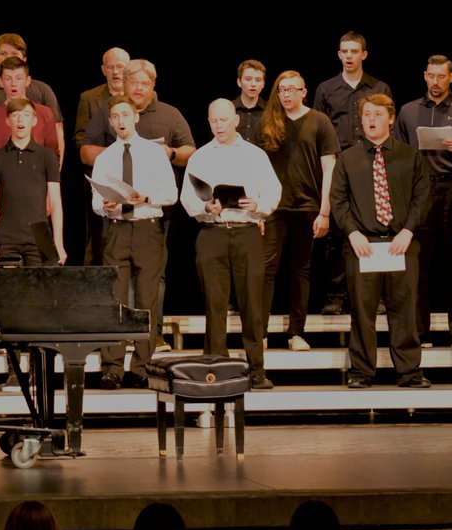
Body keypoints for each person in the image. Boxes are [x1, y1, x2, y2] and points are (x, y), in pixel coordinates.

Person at [331, 94, 431, 389]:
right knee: (362, 312)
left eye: (377, 114)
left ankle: (409, 372)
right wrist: (352, 232)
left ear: (390, 117)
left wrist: (408, 230)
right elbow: (338, 200)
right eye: (366, 115)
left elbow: (422, 196)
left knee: (404, 309)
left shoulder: (409, 155)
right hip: (364, 245)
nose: (371, 119)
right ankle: (362, 372)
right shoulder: (348, 157)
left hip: (400, 242)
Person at [181, 100, 281, 389]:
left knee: (252, 301)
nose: (218, 126)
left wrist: (257, 205)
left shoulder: (255, 155)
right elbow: (188, 197)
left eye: (223, 120)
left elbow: (274, 190)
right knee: (214, 303)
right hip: (212, 232)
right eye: (213, 121)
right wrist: (206, 207)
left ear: (236, 120)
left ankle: (256, 369)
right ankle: (215, 367)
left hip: (246, 231)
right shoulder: (200, 156)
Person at [91, 96, 178, 390]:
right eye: (116, 116)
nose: (121, 121)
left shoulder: (154, 154)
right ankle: (112, 367)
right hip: (116, 229)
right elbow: (95, 202)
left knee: (146, 299)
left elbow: (171, 194)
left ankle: (142, 366)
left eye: (126, 114)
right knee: (114, 300)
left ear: (136, 117)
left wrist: (146, 198)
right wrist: (106, 205)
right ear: (111, 121)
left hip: (146, 228)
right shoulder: (105, 157)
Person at [393, 55, 452, 348]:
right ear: (424, 76)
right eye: (431, 76)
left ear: (451, 77)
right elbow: (395, 153)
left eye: (441, 76)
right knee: (419, 264)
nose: (436, 82)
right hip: (420, 192)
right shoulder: (408, 111)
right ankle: (421, 331)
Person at [313, 31, 394, 316]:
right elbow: (319, 130)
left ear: (364, 54)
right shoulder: (326, 89)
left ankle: (378, 294)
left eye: (353, 51)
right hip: (338, 164)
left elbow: (388, 126)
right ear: (339, 54)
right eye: (344, 51)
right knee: (337, 230)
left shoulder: (379, 86)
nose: (348, 56)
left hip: (372, 163)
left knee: (375, 227)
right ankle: (336, 295)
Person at [259, 70, 338, 352]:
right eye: (282, 90)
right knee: (267, 269)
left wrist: (325, 211)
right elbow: (257, 168)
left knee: (300, 271)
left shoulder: (319, 121)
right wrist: (258, 211)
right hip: (273, 207)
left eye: (293, 89)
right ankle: (261, 334)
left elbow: (329, 167)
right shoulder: (268, 123)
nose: (287, 94)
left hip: (307, 206)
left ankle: (296, 332)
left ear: (304, 92)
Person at [0, 97, 67, 267]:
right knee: (9, 290)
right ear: (7, 120)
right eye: (15, 115)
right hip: (7, 235)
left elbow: (56, 202)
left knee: (41, 290)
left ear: (34, 120)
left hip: (39, 236)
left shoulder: (47, 156)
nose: (20, 120)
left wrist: (58, 242)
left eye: (26, 115)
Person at [75, 47, 130, 265]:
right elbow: (80, 137)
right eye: (111, 67)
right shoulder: (89, 98)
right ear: (103, 70)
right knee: (97, 235)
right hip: (100, 174)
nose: (116, 72)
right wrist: (109, 155)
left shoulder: (137, 97)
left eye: (120, 67)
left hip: (132, 174)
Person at [0, 57, 62, 163]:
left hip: (36, 177)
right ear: (0, 82)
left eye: (19, 78)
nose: (13, 84)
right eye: (8, 79)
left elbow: (53, 156)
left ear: (27, 81)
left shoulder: (45, 113)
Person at [234, 59, 267, 144]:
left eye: (258, 80)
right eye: (248, 79)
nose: (253, 84)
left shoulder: (271, 110)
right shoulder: (228, 109)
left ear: (263, 84)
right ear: (239, 82)